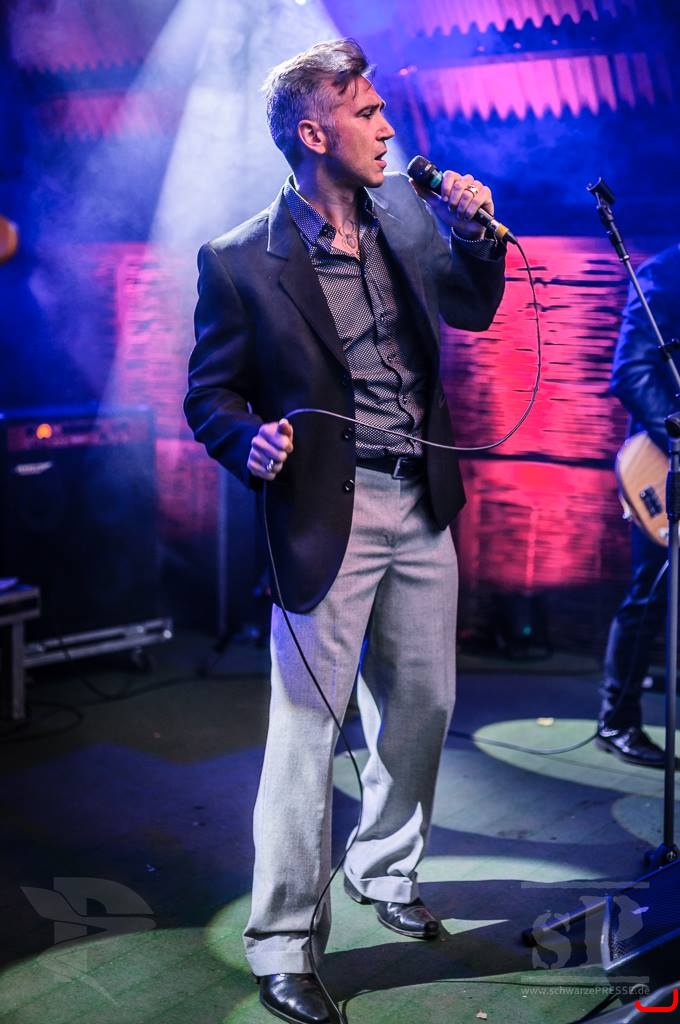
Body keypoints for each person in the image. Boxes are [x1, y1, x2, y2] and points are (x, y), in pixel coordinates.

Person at [184, 38, 506, 1024]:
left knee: (423, 703)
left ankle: (383, 865)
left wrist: (475, 234)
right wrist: (246, 440)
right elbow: (209, 396)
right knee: (305, 731)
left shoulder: (401, 211)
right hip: (327, 509)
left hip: (420, 498)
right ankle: (284, 945)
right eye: (365, 113)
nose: (385, 127)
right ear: (313, 132)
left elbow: (471, 307)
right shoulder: (239, 258)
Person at [597, 242, 680, 768]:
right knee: (651, 592)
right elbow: (631, 373)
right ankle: (618, 719)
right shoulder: (667, 272)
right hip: (664, 464)